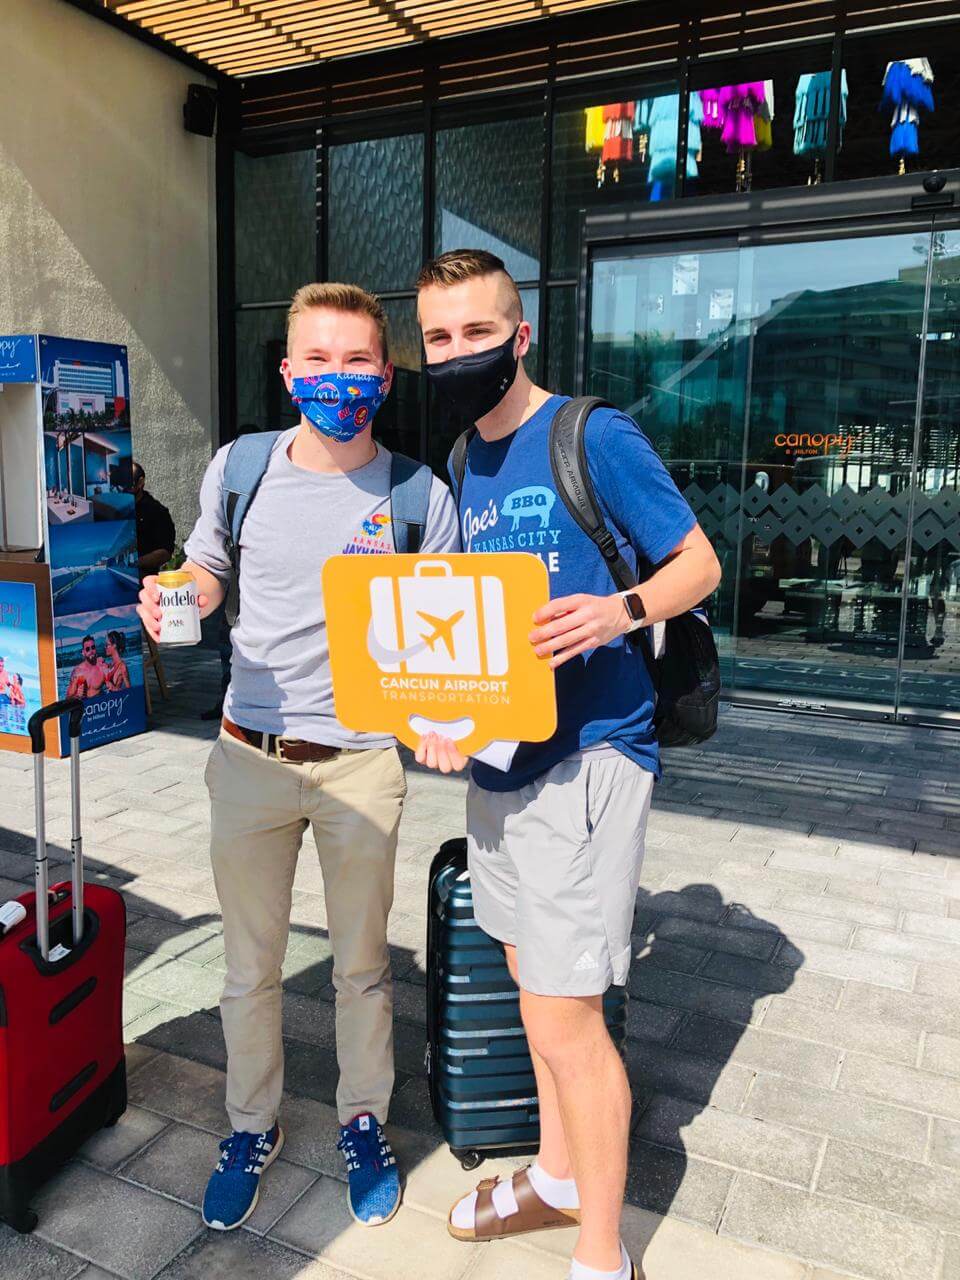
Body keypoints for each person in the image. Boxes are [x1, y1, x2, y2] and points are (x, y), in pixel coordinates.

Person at [414, 249, 721, 1280]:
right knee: (521, 971)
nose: (456, 353)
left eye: (474, 332)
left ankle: (603, 1251)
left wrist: (619, 609)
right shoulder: (462, 460)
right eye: (438, 337)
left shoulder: (592, 434)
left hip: (590, 756)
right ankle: (554, 1175)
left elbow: (700, 562)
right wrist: (441, 714)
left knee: (566, 1012)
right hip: (501, 762)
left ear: (519, 335)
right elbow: (464, 621)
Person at [137, 282, 459, 1234]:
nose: (337, 376)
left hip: (362, 759)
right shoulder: (240, 468)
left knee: (363, 966)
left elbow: (446, 628)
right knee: (250, 967)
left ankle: (363, 1121)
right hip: (249, 756)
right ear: (286, 371)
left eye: (357, 359)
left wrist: (447, 715)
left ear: (386, 375)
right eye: (316, 359)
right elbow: (208, 568)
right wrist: (175, 595)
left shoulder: (418, 494)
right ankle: (251, 1125)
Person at [200, 424, 262, 722]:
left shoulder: (262, 491)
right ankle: (227, 702)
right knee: (228, 654)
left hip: (251, 600)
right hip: (233, 599)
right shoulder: (229, 486)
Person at [133, 462, 177, 577]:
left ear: (140, 482)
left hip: (143, 580)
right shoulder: (116, 510)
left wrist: (134, 563)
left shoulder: (156, 511)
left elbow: (165, 551)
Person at [66, 635, 110, 700]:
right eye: (87, 649)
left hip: (99, 704)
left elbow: (112, 688)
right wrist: (77, 695)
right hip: (85, 706)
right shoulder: (78, 672)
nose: (91, 651)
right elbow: (67, 698)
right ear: (83, 652)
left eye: (93, 647)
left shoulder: (102, 667)